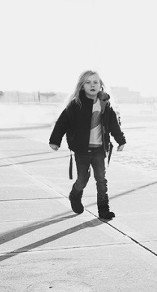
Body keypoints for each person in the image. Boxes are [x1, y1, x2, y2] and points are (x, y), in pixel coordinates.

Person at [49, 70, 126, 220]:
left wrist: (121, 140)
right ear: (82, 86)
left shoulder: (105, 104)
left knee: (101, 179)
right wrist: (55, 141)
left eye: (95, 82)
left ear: (101, 85)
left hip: (99, 149)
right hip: (82, 150)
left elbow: (113, 125)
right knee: (83, 179)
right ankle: (75, 195)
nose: (92, 85)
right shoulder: (75, 104)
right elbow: (62, 123)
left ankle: (104, 210)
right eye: (88, 82)